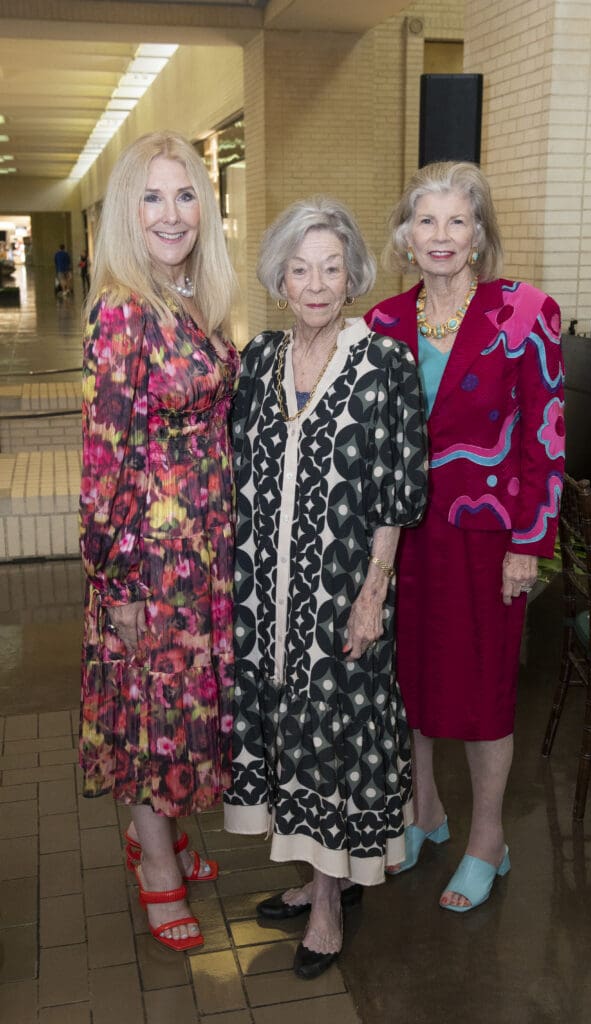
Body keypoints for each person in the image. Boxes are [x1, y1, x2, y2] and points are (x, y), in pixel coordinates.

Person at [224, 197, 428, 978]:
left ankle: (332, 904)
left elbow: (396, 491)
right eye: (299, 268)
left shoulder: (382, 362)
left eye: (330, 269)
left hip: (342, 593)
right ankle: (312, 877)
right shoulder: (259, 358)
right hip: (262, 597)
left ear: (353, 277)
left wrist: (374, 591)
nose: (314, 284)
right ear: (278, 276)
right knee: (287, 737)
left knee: (338, 742)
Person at [365, 161, 565, 912]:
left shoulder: (524, 312)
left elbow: (544, 438)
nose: (440, 236)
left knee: (482, 692)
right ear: (404, 236)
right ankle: (426, 816)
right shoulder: (382, 322)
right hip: (401, 539)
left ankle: (488, 839)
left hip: (487, 541)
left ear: (479, 233)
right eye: (426, 221)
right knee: (405, 686)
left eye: (456, 220)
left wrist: (527, 544)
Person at [79, 131, 239, 952]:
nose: (171, 214)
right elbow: (104, 462)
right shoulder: (123, 309)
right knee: (152, 723)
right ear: (125, 212)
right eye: (152, 197)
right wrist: (116, 585)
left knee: (179, 710)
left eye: (185, 197)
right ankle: (156, 872)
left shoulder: (188, 299)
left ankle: (162, 837)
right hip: (152, 563)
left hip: (201, 553)